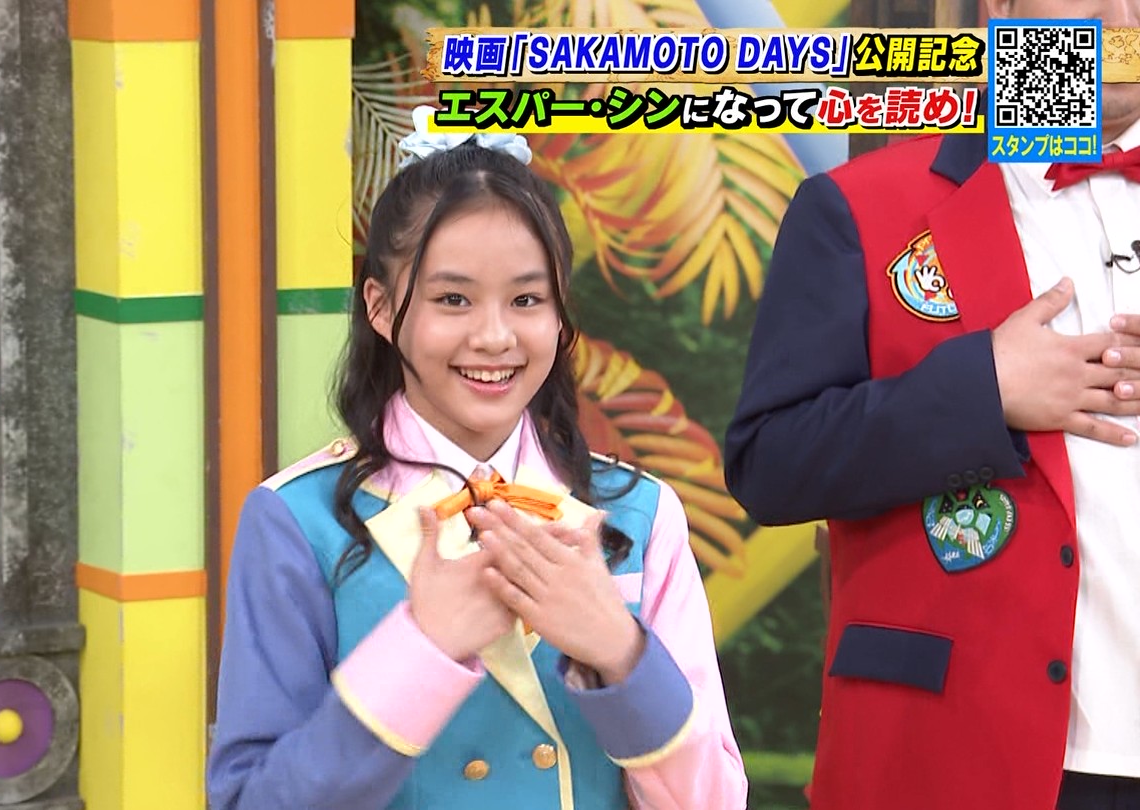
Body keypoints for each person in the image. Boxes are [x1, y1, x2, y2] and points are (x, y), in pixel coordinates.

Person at [206, 106, 748, 810]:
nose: (494, 337)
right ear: (381, 307)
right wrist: (422, 648)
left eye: (527, 299)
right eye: (453, 299)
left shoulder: (639, 514)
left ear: (560, 314)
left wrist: (620, 651)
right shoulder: (296, 521)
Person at [724, 1, 1140, 808]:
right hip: (964, 753)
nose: (1119, 14)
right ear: (1000, 10)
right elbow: (771, 462)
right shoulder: (858, 207)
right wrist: (985, 391)